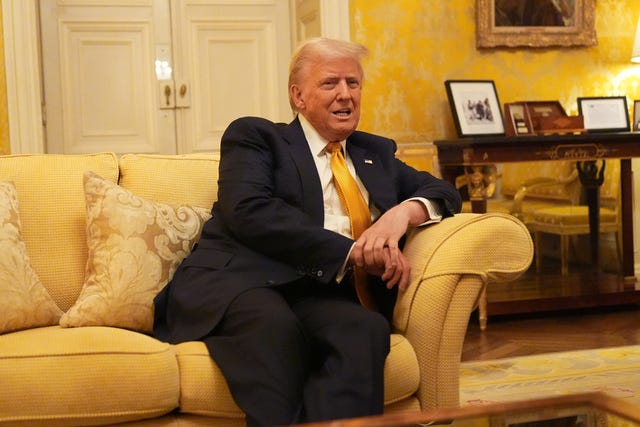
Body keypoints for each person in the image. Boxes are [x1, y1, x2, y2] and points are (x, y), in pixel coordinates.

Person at [153, 37, 462, 426]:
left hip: (316, 291)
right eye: (330, 83)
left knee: (364, 329)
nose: (346, 95)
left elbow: (444, 192)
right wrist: (351, 252)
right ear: (298, 97)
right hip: (241, 282)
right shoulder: (258, 139)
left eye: (353, 83)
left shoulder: (373, 154)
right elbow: (249, 212)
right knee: (274, 329)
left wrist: (401, 215)